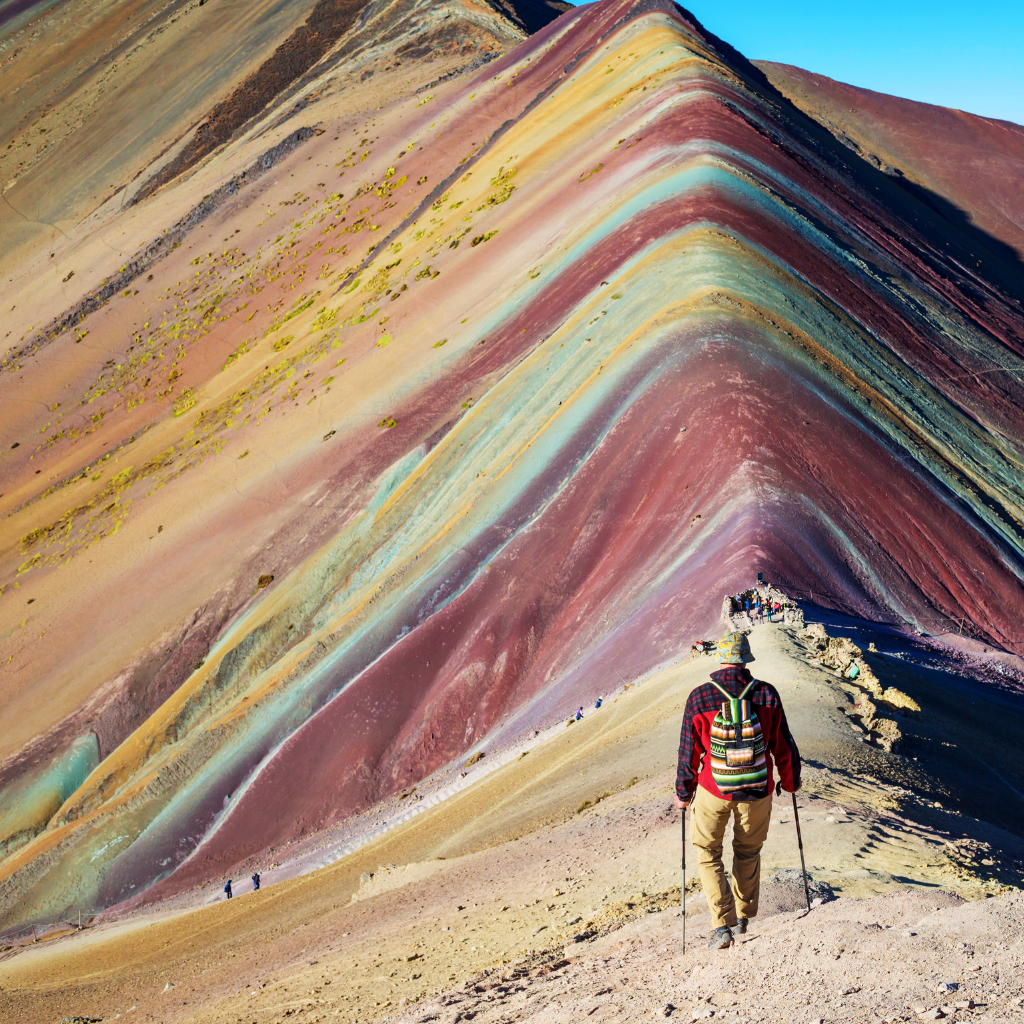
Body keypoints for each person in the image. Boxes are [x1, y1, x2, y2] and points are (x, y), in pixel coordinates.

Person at [674, 630, 800, 950]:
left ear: (721, 659)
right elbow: (782, 745)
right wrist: (789, 781)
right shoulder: (766, 694)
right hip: (758, 792)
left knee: (706, 852)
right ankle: (743, 917)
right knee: (748, 852)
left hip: (713, 791)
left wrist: (683, 792)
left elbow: (689, 753)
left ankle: (722, 927)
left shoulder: (699, 697)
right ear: (745, 660)